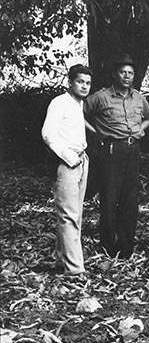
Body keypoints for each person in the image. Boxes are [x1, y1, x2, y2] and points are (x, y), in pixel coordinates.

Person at [84, 53, 149, 259]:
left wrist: (140, 130)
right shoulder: (101, 97)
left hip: (133, 150)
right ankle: (108, 246)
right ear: (115, 74)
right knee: (109, 198)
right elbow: (79, 111)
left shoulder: (138, 98)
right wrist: (96, 132)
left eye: (130, 73)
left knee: (130, 199)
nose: (127, 76)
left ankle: (126, 246)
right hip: (111, 150)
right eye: (123, 72)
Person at [41, 64, 93, 277]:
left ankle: (62, 260)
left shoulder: (78, 104)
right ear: (70, 82)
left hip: (81, 159)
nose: (84, 86)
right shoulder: (59, 103)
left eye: (88, 83)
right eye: (80, 82)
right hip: (67, 162)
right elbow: (48, 134)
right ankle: (75, 270)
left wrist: (80, 158)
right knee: (69, 215)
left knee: (75, 213)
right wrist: (69, 157)